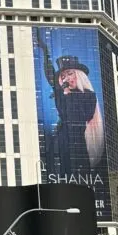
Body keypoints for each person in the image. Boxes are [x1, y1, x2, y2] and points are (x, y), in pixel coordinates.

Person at [37, 34, 105, 180]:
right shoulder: (61, 93)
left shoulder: (89, 95)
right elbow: (50, 74)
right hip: (61, 139)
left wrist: (68, 95)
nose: (66, 78)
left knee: (79, 175)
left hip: (79, 141)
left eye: (69, 74)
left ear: (78, 75)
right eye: (63, 76)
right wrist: (45, 51)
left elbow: (82, 116)